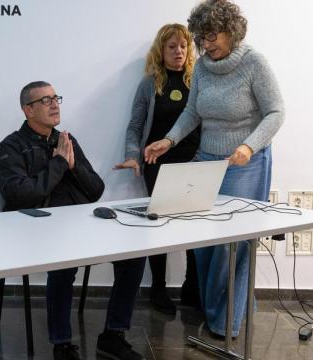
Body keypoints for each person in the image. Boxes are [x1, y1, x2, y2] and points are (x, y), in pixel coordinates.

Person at [144, 0, 284, 338]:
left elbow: (275, 112)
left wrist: (248, 145)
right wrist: (169, 140)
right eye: (201, 38)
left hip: (244, 165)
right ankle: (220, 309)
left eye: (212, 37)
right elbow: (192, 112)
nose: (205, 45)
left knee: (231, 245)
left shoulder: (254, 63)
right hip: (207, 160)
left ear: (231, 32)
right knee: (204, 241)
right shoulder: (205, 67)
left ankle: (226, 323)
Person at [0, 81, 147, 360]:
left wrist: (72, 162)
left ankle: (113, 334)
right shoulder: (11, 146)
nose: (54, 104)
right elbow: (20, 196)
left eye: (56, 98)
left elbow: (96, 190)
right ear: (27, 110)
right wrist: (58, 164)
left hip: (77, 224)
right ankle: (62, 344)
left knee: (135, 254)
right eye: (45, 101)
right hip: (34, 230)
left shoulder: (66, 140)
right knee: (63, 264)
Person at [114, 23, 201, 315]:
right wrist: (131, 155)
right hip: (157, 163)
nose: (179, 52)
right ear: (160, 51)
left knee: (195, 224)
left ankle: (192, 287)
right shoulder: (150, 82)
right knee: (160, 225)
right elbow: (135, 125)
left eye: (183, 46)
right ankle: (158, 289)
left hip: (194, 162)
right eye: (172, 46)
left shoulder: (198, 80)